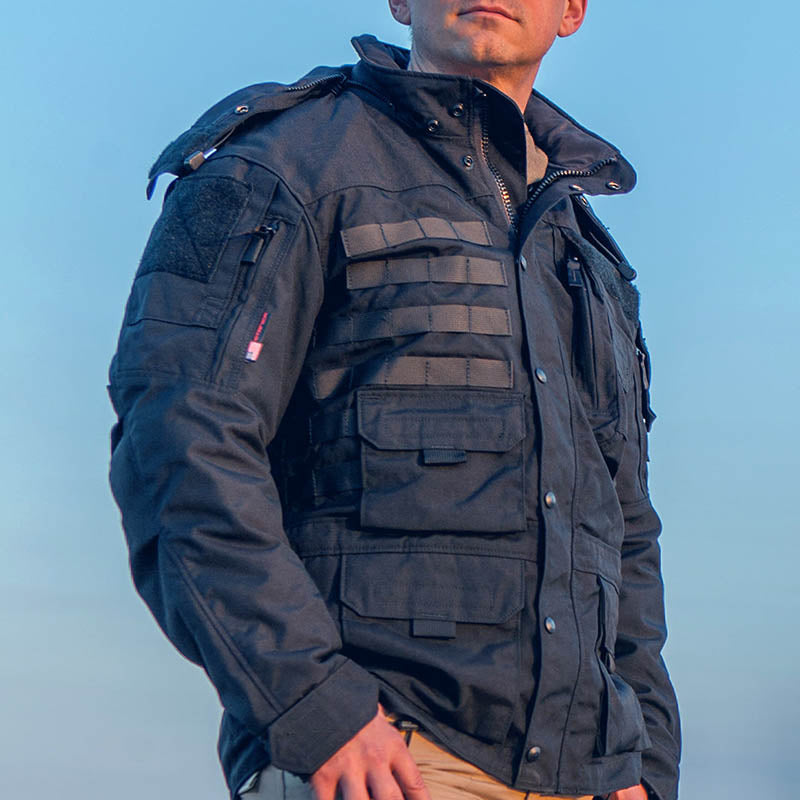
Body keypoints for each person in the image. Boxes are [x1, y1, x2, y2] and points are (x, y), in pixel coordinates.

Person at [108, 1, 681, 799]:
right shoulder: (286, 163)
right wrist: (314, 706)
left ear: (573, 11)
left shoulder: (583, 251)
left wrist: (645, 763)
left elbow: (625, 530)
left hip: (588, 776)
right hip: (388, 760)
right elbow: (179, 437)